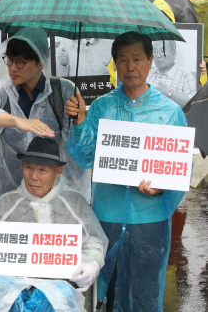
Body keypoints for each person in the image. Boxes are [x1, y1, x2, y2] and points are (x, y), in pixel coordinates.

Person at [65, 31, 189, 312]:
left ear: (150, 61)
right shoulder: (102, 107)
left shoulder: (169, 113)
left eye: (137, 59)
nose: (130, 67)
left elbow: (181, 168)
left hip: (149, 219)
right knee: (104, 291)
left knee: (144, 291)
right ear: (115, 65)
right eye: (123, 60)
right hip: (107, 215)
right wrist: (81, 121)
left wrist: (161, 186)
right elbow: (84, 156)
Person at [0, 137, 108, 312]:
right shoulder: (6, 203)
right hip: (10, 284)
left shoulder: (75, 204)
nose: (34, 177)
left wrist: (91, 263)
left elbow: (94, 241)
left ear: (57, 172)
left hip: (60, 284)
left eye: (43, 170)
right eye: (29, 168)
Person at [0, 26, 91, 225]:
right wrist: (18, 121)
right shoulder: (4, 91)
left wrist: (79, 120)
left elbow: (77, 148)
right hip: (7, 187)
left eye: (21, 62)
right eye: (9, 59)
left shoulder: (63, 90)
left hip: (52, 192)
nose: (12, 68)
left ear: (40, 63)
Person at [147, 40, 196, 107]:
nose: (158, 55)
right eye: (155, 51)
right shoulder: (147, 72)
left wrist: (169, 93)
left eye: (163, 51)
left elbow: (195, 103)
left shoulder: (185, 75)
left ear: (174, 54)